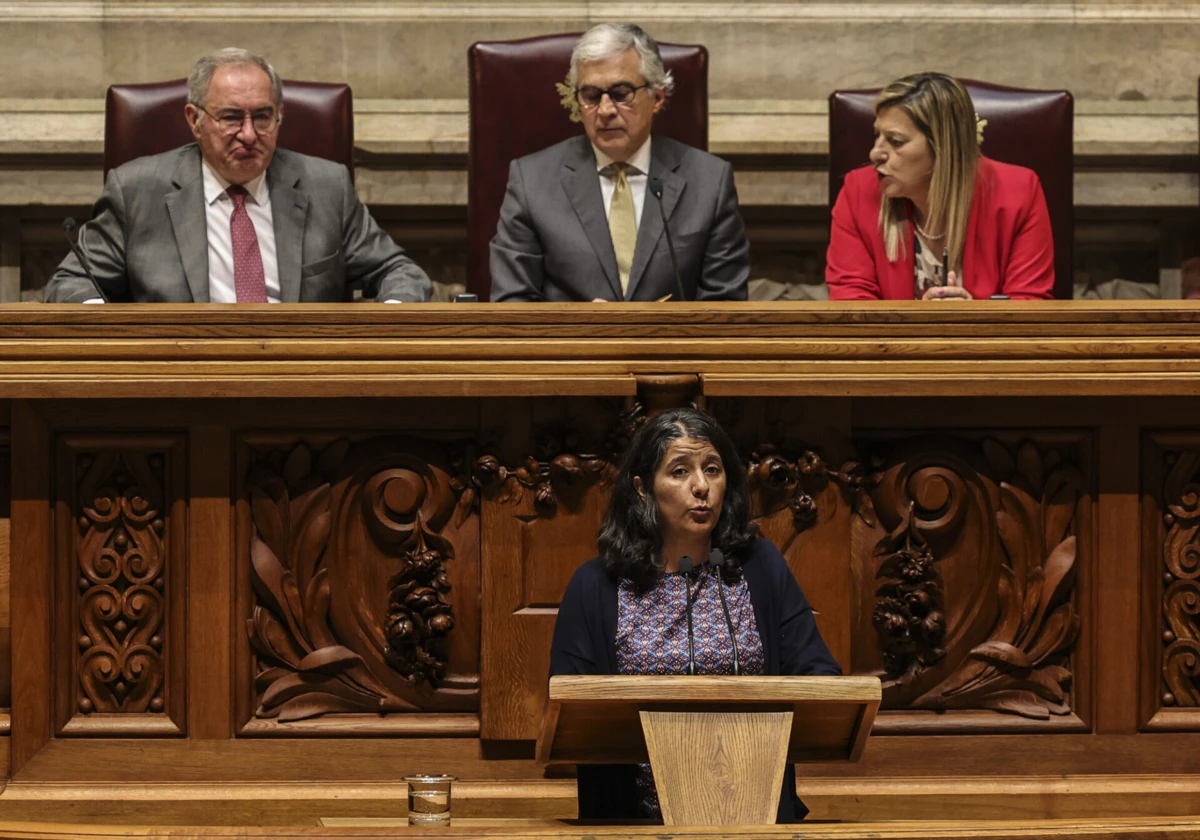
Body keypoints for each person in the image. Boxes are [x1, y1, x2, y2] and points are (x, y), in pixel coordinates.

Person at [549, 407, 840, 822]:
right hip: (634, 825)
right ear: (643, 487)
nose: (701, 487)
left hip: (755, 820)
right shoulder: (597, 586)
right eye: (680, 471)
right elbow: (570, 712)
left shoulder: (758, 566)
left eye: (713, 469)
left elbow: (819, 677)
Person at [45, 47, 431, 304]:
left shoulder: (326, 186)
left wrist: (387, 317)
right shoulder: (136, 190)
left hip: (301, 380)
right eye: (231, 117)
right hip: (180, 378)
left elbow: (401, 272)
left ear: (279, 116)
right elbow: (70, 284)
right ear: (194, 120)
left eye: (262, 117)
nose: (248, 134)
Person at [489, 24, 750, 303]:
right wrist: (580, 329)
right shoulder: (531, 182)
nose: (605, 110)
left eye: (621, 93)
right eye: (590, 96)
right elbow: (512, 303)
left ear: (657, 97)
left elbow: (725, 307)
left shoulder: (710, 181)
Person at [826, 72, 1055, 301]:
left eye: (895, 141)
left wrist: (975, 320)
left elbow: (1029, 306)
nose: (874, 153)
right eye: (877, 135)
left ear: (944, 149)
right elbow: (851, 307)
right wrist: (919, 321)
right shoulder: (858, 192)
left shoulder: (1019, 193)